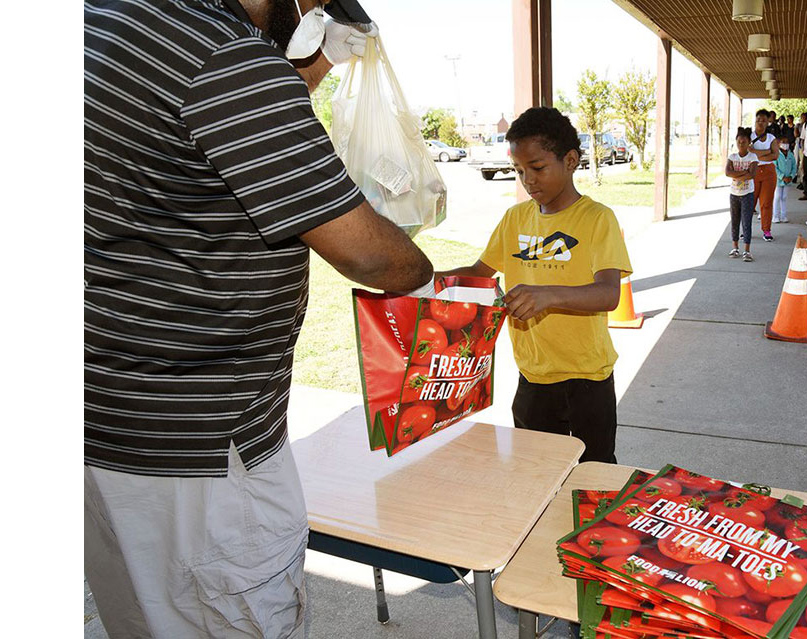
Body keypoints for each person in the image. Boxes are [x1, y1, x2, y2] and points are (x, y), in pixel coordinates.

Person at [84, 1, 435, 637]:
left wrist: (317, 62)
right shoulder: (223, 55)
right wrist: (425, 271)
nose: (315, 7)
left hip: (105, 433)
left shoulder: (101, 22)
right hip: (203, 454)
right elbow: (370, 254)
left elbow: (210, 131)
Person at [439, 107, 631, 464]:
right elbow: (480, 272)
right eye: (519, 171)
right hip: (533, 376)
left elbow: (609, 293)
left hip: (587, 377)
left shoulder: (597, 219)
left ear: (570, 160)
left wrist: (548, 295)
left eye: (538, 168)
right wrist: (428, 280)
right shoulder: (515, 218)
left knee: (596, 471)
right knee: (537, 471)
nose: (528, 180)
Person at [725, 127, 758, 262]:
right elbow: (727, 172)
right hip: (734, 194)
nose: (741, 144)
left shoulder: (753, 157)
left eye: (744, 142)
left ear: (749, 142)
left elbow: (752, 175)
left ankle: (747, 250)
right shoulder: (732, 156)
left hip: (747, 194)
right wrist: (744, 173)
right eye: (739, 142)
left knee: (746, 221)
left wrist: (737, 174)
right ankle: (735, 247)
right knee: (735, 221)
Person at [749, 109, 779, 241]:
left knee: (766, 203)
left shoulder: (771, 138)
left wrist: (755, 152)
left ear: (768, 122)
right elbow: (746, 153)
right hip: (752, 171)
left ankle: (766, 230)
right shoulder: (748, 136)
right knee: (749, 202)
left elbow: (775, 155)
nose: (761, 123)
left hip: (768, 172)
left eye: (764, 120)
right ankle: (746, 229)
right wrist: (767, 152)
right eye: (758, 120)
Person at [773, 134, 798, 224]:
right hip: (779, 180)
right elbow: (774, 167)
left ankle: (783, 216)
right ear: (778, 144)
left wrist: (791, 176)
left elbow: (794, 166)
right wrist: (782, 177)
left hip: (788, 181)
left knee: (784, 197)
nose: (786, 144)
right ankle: (775, 216)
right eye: (783, 142)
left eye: (787, 142)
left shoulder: (791, 155)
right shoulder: (776, 155)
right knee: (777, 197)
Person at [795, 112, 807, 188]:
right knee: (797, 162)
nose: (803, 118)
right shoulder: (799, 125)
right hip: (800, 145)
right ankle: (797, 177)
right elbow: (796, 135)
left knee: (803, 165)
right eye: (802, 117)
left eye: (805, 117)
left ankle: (802, 181)